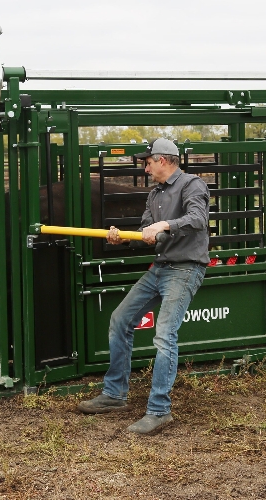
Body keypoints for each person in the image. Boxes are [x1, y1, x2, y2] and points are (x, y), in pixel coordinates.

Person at [78, 138, 210, 434]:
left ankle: (160, 410)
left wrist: (163, 226)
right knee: (120, 319)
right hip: (161, 268)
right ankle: (114, 395)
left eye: (147, 162)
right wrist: (124, 236)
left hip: (186, 268)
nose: (146, 168)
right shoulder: (154, 195)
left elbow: (198, 219)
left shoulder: (192, 185)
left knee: (164, 334)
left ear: (163, 160)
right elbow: (147, 233)